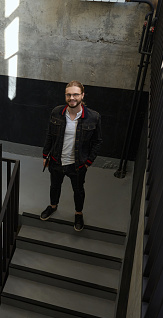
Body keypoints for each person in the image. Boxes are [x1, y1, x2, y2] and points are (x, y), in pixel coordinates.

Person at [40, 81, 102, 231]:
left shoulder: (93, 117)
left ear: (82, 95)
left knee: (78, 190)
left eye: (75, 94)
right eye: (68, 94)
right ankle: (53, 206)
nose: (71, 97)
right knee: (54, 186)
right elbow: (49, 135)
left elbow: (97, 141)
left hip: (78, 165)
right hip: (56, 161)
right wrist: (45, 154)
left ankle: (78, 213)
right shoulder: (57, 112)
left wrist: (88, 162)